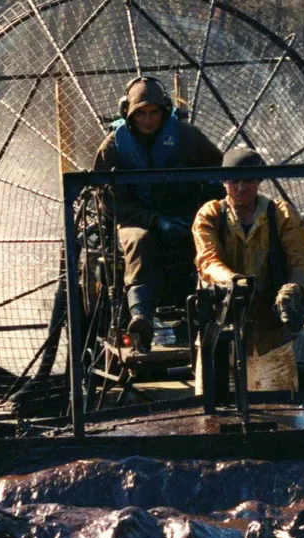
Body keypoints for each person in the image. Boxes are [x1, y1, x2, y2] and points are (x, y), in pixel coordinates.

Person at [92, 76, 222, 352]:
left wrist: (202, 211)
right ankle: (141, 316)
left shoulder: (187, 137)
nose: (148, 120)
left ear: (165, 112)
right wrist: (153, 219)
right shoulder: (113, 146)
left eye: (153, 113)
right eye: (140, 113)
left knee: (203, 239)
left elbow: (220, 174)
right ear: (128, 112)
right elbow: (108, 202)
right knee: (139, 241)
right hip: (135, 220)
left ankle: (207, 314)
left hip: (183, 215)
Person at [192, 148, 304, 390]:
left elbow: (301, 262)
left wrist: (293, 289)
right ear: (224, 182)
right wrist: (233, 281)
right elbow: (208, 260)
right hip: (220, 328)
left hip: (269, 334)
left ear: (259, 181)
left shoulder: (281, 214)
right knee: (212, 416)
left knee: (280, 412)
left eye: (247, 180)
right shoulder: (211, 214)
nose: (240, 187)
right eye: (233, 181)